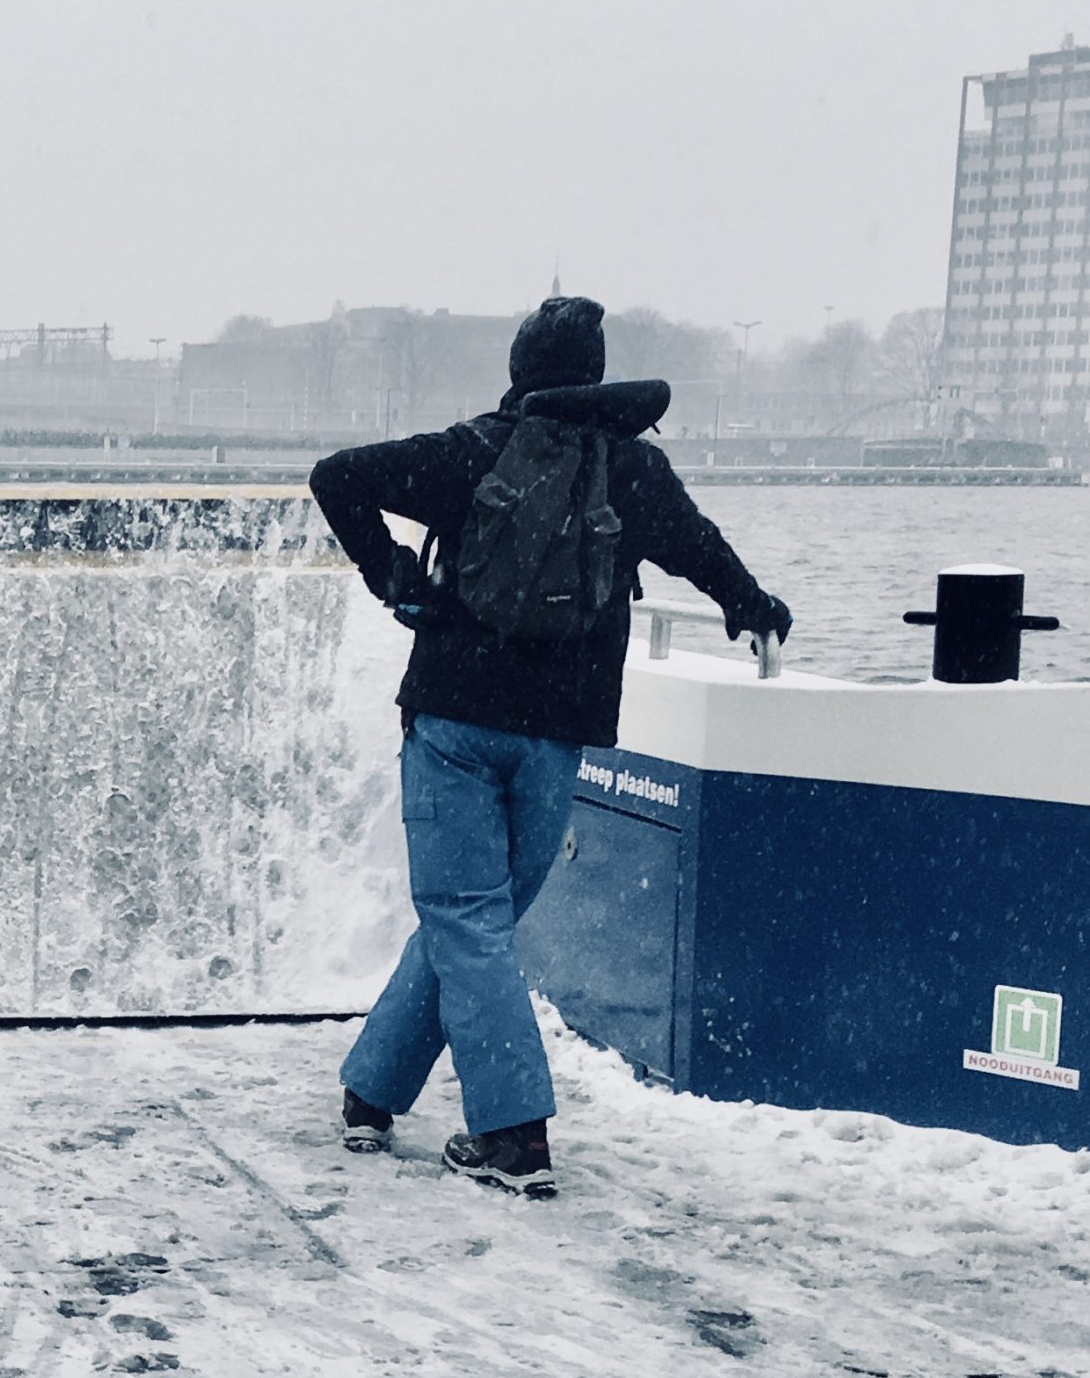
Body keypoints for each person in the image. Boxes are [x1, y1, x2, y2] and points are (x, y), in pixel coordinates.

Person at [307, 294, 789, 1198]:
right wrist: (751, 606)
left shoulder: (471, 451)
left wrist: (392, 574)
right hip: (559, 733)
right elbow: (700, 550)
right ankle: (370, 1092)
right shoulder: (633, 470)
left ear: (519, 369)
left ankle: (512, 1138)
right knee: (476, 922)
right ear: (595, 374)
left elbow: (336, 476)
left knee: (465, 918)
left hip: (452, 718)